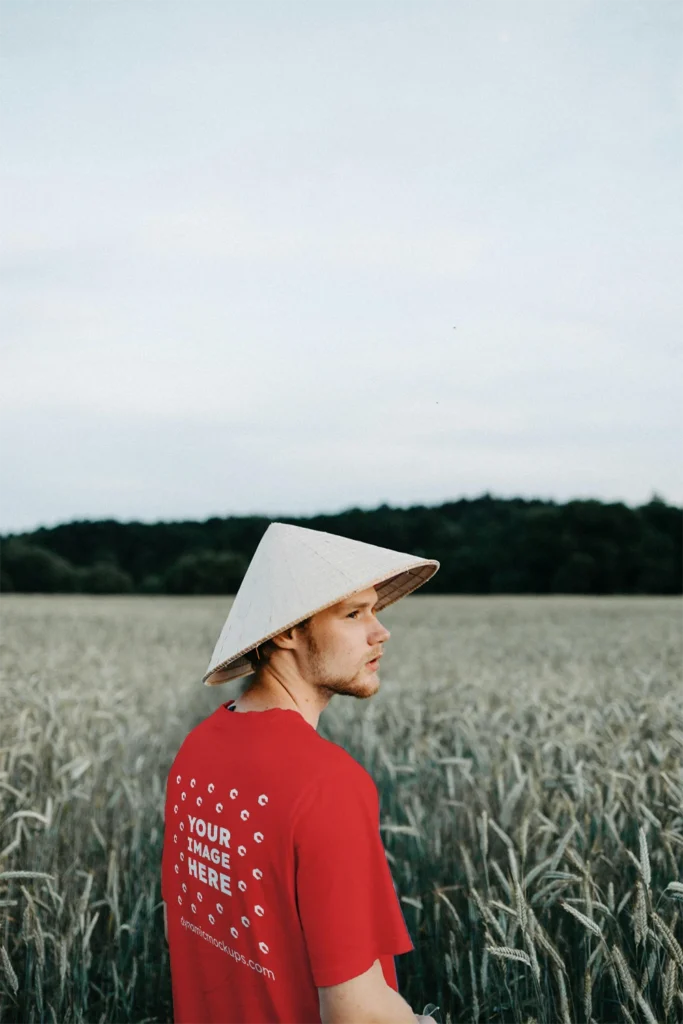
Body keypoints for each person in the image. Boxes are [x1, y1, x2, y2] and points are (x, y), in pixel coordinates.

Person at [161, 521, 440, 1023]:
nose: (381, 631)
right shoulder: (327, 782)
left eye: (375, 610)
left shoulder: (195, 751)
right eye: (354, 613)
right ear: (288, 629)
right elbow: (358, 1013)